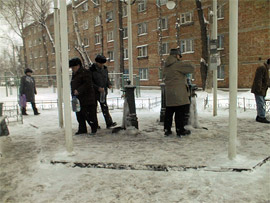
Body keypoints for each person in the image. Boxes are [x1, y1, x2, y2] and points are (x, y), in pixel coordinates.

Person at [163, 48, 195, 137]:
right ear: (176, 55)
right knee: (180, 111)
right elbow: (192, 68)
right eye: (179, 56)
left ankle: (167, 129)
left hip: (169, 92)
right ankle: (180, 130)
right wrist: (185, 62)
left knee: (169, 111)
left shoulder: (166, 66)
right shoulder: (178, 65)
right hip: (179, 93)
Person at [69, 57, 98, 135]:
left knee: (89, 115)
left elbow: (87, 84)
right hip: (78, 98)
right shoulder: (75, 74)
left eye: (73, 67)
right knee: (79, 114)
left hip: (87, 98)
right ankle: (82, 129)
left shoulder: (85, 73)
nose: (72, 69)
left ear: (78, 65)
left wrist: (79, 90)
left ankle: (93, 128)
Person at [90, 55, 116, 129]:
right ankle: (95, 125)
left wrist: (109, 84)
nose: (102, 65)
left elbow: (106, 78)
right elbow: (90, 82)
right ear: (97, 62)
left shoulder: (104, 69)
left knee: (105, 107)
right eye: (100, 63)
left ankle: (109, 123)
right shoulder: (92, 70)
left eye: (103, 63)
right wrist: (97, 88)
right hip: (94, 92)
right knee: (93, 109)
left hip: (103, 92)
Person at [251, 58, 270, 124]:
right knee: (261, 103)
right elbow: (258, 79)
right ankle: (261, 117)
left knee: (261, 103)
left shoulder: (266, 68)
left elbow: (266, 80)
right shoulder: (262, 68)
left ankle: (260, 116)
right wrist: (259, 89)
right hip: (259, 90)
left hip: (262, 89)